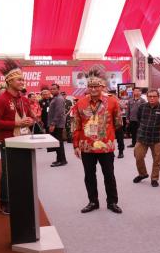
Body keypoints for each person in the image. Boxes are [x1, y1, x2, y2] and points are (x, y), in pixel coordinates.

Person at [72, 70, 123, 214]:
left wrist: (110, 138)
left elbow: (118, 123)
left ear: (102, 87)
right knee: (89, 175)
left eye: (97, 86)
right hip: (86, 147)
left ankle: (112, 202)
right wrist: (76, 145)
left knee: (109, 175)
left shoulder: (112, 101)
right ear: (87, 87)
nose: (93, 89)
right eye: (91, 86)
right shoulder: (80, 103)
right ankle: (93, 201)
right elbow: (76, 125)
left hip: (106, 146)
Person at [0, 59, 34, 215]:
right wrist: (17, 123)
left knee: (23, 171)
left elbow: (31, 117)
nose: (22, 82)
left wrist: (29, 121)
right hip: (7, 141)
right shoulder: (0, 100)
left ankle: (19, 198)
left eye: (23, 79)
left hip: (24, 140)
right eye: (19, 79)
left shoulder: (24, 100)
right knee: (8, 172)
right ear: (9, 81)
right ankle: (5, 202)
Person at [132, 90, 160, 187]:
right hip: (142, 137)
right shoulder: (142, 107)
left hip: (157, 138)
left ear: (158, 97)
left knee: (157, 160)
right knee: (138, 156)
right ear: (147, 97)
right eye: (150, 96)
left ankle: (154, 178)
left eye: (154, 96)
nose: (152, 98)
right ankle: (143, 174)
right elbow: (139, 119)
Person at [48, 84, 67, 167]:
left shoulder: (59, 99)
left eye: (54, 89)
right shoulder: (55, 98)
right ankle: (60, 159)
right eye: (51, 89)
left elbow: (58, 113)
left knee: (59, 142)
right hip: (56, 123)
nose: (52, 90)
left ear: (58, 89)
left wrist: (53, 124)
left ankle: (62, 160)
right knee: (57, 142)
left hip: (57, 124)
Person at [109, 90, 125, 158]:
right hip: (109, 122)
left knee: (120, 138)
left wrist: (116, 101)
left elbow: (123, 107)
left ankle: (121, 152)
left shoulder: (118, 100)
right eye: (110, 95)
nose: (111, 96)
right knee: (110, 138)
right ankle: (111, 152)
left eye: (113, 95)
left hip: (118, 122)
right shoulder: (107, 101)